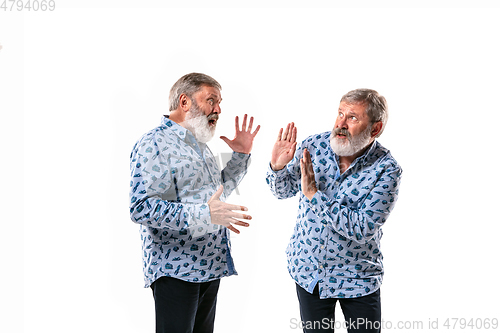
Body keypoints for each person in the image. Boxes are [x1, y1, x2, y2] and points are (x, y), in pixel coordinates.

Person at [129, 73, 260, 333]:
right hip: (176, 270)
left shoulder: (199, 144)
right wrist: (204, 213)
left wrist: (241, 155)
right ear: (184, 101)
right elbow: (141, 207)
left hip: (209, 265)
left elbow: (216, 198)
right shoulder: (154, 143)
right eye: (211, 100)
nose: (218, 109)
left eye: (220, 102)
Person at [266, 89, 402, 333]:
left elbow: (363, 228)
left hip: (358, 278)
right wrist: (277, 167)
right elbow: (282, 191)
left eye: (352, 118)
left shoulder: (387, 169)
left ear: (375, 128)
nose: (340, 123)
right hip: (310, 272)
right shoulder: (313, 146)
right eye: (340, 113)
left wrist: (314, 197)